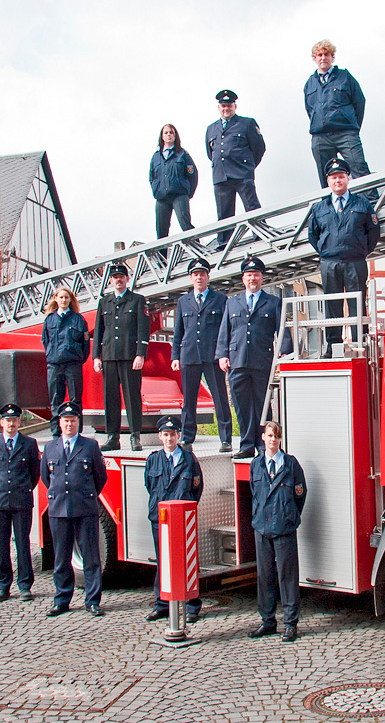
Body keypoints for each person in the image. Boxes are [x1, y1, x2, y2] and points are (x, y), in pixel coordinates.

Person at [40, 402, 109, 617]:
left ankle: (93, 600)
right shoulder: (50, 447)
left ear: (79, 423)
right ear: (60, 423)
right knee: (61, 559)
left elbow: (100, 477)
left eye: (73, 421)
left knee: (91, 557)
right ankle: (62, 600)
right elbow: (45, 477)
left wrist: (86, 494)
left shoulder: (90, 446)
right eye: (66, 421)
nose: (70, 424)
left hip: (84, 508)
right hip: (59, 509)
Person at [307, 157, 380, 353]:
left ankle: (360, 344)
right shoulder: (319, 208)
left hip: (355, 261)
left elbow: (373, 233)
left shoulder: (362, 204)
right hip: (330, 263)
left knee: (357, 304)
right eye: (333, 178)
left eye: (341, 177)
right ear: (328, 182)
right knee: (333, 305)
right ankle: (333, 346)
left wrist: (360, 250)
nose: (337, 181)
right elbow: (313, 235)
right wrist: (326, 250)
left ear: (348, 179)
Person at [216, 256, 281, 459]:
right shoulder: (232, 303)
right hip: (237, 361)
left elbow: (282, 331)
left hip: (262, 361)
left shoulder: (274, 302)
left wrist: (284, 354)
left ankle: (263, 444)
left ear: (262, 278)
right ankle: (246, 445)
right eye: (249, 275)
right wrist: (221, 355)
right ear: (243, 279)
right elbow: (224, 331)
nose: (252, 278)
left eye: (256, 275)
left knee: (262, 404)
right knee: (241, 404)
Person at [247, 421, 306, 642]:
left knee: (287, 576)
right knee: (264, 576)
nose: (273, 439)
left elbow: (300, 494)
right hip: (262, 527)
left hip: (284, 527)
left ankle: (290, 624)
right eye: (270, 435)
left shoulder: (290, 465)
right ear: (263, 437)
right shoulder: (256, 465)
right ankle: (268, 621)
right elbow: (255, 495)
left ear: (281, 439)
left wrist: (290, 516)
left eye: (277, 436)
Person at [144, 415, 204, 623]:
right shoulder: (153, 460)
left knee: (187, 561)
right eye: (166, 434)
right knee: (163, 561)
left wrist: (184, 507)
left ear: (179, 435)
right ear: (160, 436)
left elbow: (197, 488)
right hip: (160, 518)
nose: (169, 438)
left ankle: (192, 605)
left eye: (173, 434)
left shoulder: (189, 459)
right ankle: (161, 604)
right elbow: (150, 486)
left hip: (182, 519)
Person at [171, 257, 233, 452]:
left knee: (220, 398)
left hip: (213, 355)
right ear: (191, 278)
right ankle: (187, 437)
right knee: (189, 399)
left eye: (202, 274)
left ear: (208, 277)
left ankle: (226, 439)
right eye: (195, 274)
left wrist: (224, 353)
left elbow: (226, 329)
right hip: (189, 355)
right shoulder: (183, 301)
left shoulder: (220, 299)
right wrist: (175, 356)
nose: (199, 277)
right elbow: (178, 331)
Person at [0, 403, 40, 602]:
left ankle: (25, 585)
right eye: (8, 420)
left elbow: (35, 474)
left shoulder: (29, 444)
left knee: (23, 544)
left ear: (19, 422)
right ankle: (2, 585)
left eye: (14, 420)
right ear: (1, 423)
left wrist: (21, 488)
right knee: (1, 545)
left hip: (21, 500)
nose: (11, 424)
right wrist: (1, 488)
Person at [92, 262, 150, 452]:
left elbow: (143, 329)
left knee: (132, 397)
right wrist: (96, 357)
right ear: (110, 280)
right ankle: (112, 437)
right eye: (115, 277)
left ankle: (135, 436)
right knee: (111, 398)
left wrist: (140, 354)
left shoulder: (137, 300)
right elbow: (99, 331)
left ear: (127, 279)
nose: (118, 280)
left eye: (121, 277)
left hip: (129, 355)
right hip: (109, 355)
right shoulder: (104, 302)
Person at [304, 39, 370, 189]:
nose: (323, 58)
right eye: (319, 54)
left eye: (326, 54)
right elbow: (310, 109)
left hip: (345, 133)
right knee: (327, 177)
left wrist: (352, 125)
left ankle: (371, 206)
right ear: (314, 58)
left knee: (359, 169)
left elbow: (359, 102)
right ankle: (330, 211)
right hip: (320, 137)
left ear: (332, 57)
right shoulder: (310, 84)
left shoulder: (345, 77)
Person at [205, 90, 266, 247]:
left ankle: (260, 234)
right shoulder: (211, 129)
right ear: (219, 107)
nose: (226, 109)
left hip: (242, 173)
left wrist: (248, 166)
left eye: (229, 106)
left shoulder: (246, 123)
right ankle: (224, 242)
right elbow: (210, 153)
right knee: (224, 213)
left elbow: (259, 148)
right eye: (223, 106)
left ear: (235, 106)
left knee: (252, 207)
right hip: (221, 176)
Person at [41, 286, 90, 438]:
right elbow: (45, 341)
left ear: (71, 300)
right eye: (61, 297)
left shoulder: (78, 319)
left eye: (66, 298)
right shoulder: (49, 319)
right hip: (54, 364)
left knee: (75, 398)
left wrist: (79, 358)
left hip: (73, 364)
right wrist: (52, 354)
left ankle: (77, 431)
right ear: (56, 299)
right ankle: (56, 432)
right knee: (56, 398)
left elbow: (85, 344)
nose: (64, 300)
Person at [149, 123, 199, 239]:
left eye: (171, 132)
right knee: (161, 232)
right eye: (166, 133)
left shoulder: (183, 154)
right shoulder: (156, 157)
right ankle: (162, 257)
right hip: (162, 198)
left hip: (179, 195)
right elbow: (152, 177)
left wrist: (187, 192)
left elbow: (193, 175)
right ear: (162, 137)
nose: (168, 135)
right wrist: (156, 189)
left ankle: (197, 253)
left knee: (186, 225)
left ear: (175, 136)